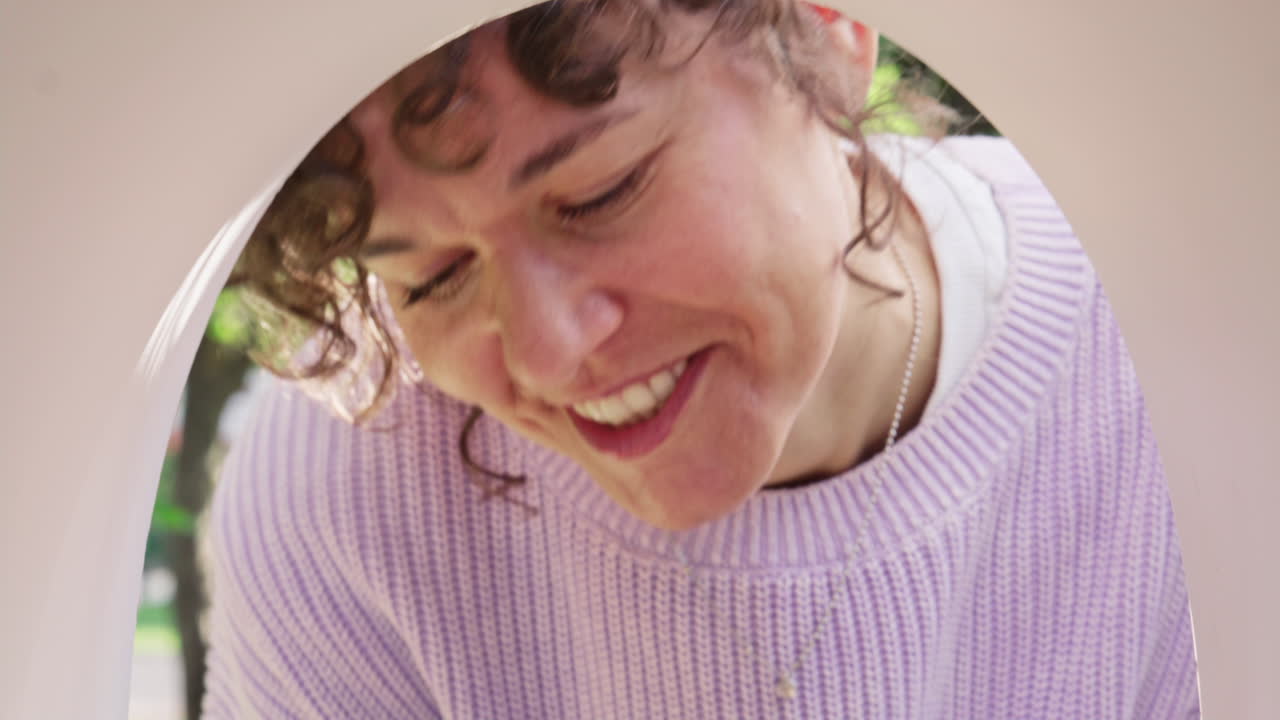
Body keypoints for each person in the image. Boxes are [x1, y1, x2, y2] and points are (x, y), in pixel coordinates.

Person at [201, 1, 1200, 717]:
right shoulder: (337, 498)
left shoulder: (1173, 338)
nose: (548, 354)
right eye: (431, 279)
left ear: (822, 27)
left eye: (599, 194)